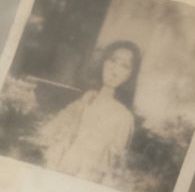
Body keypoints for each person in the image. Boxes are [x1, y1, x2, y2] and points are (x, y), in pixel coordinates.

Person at [35, 40, 142, 184]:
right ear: (104, 62)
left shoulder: (124, 118)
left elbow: (111, 169)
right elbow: (47, 135)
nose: (115, 69)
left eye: (124, 66)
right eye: (112, 61)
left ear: (129, 75)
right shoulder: (82, 101)